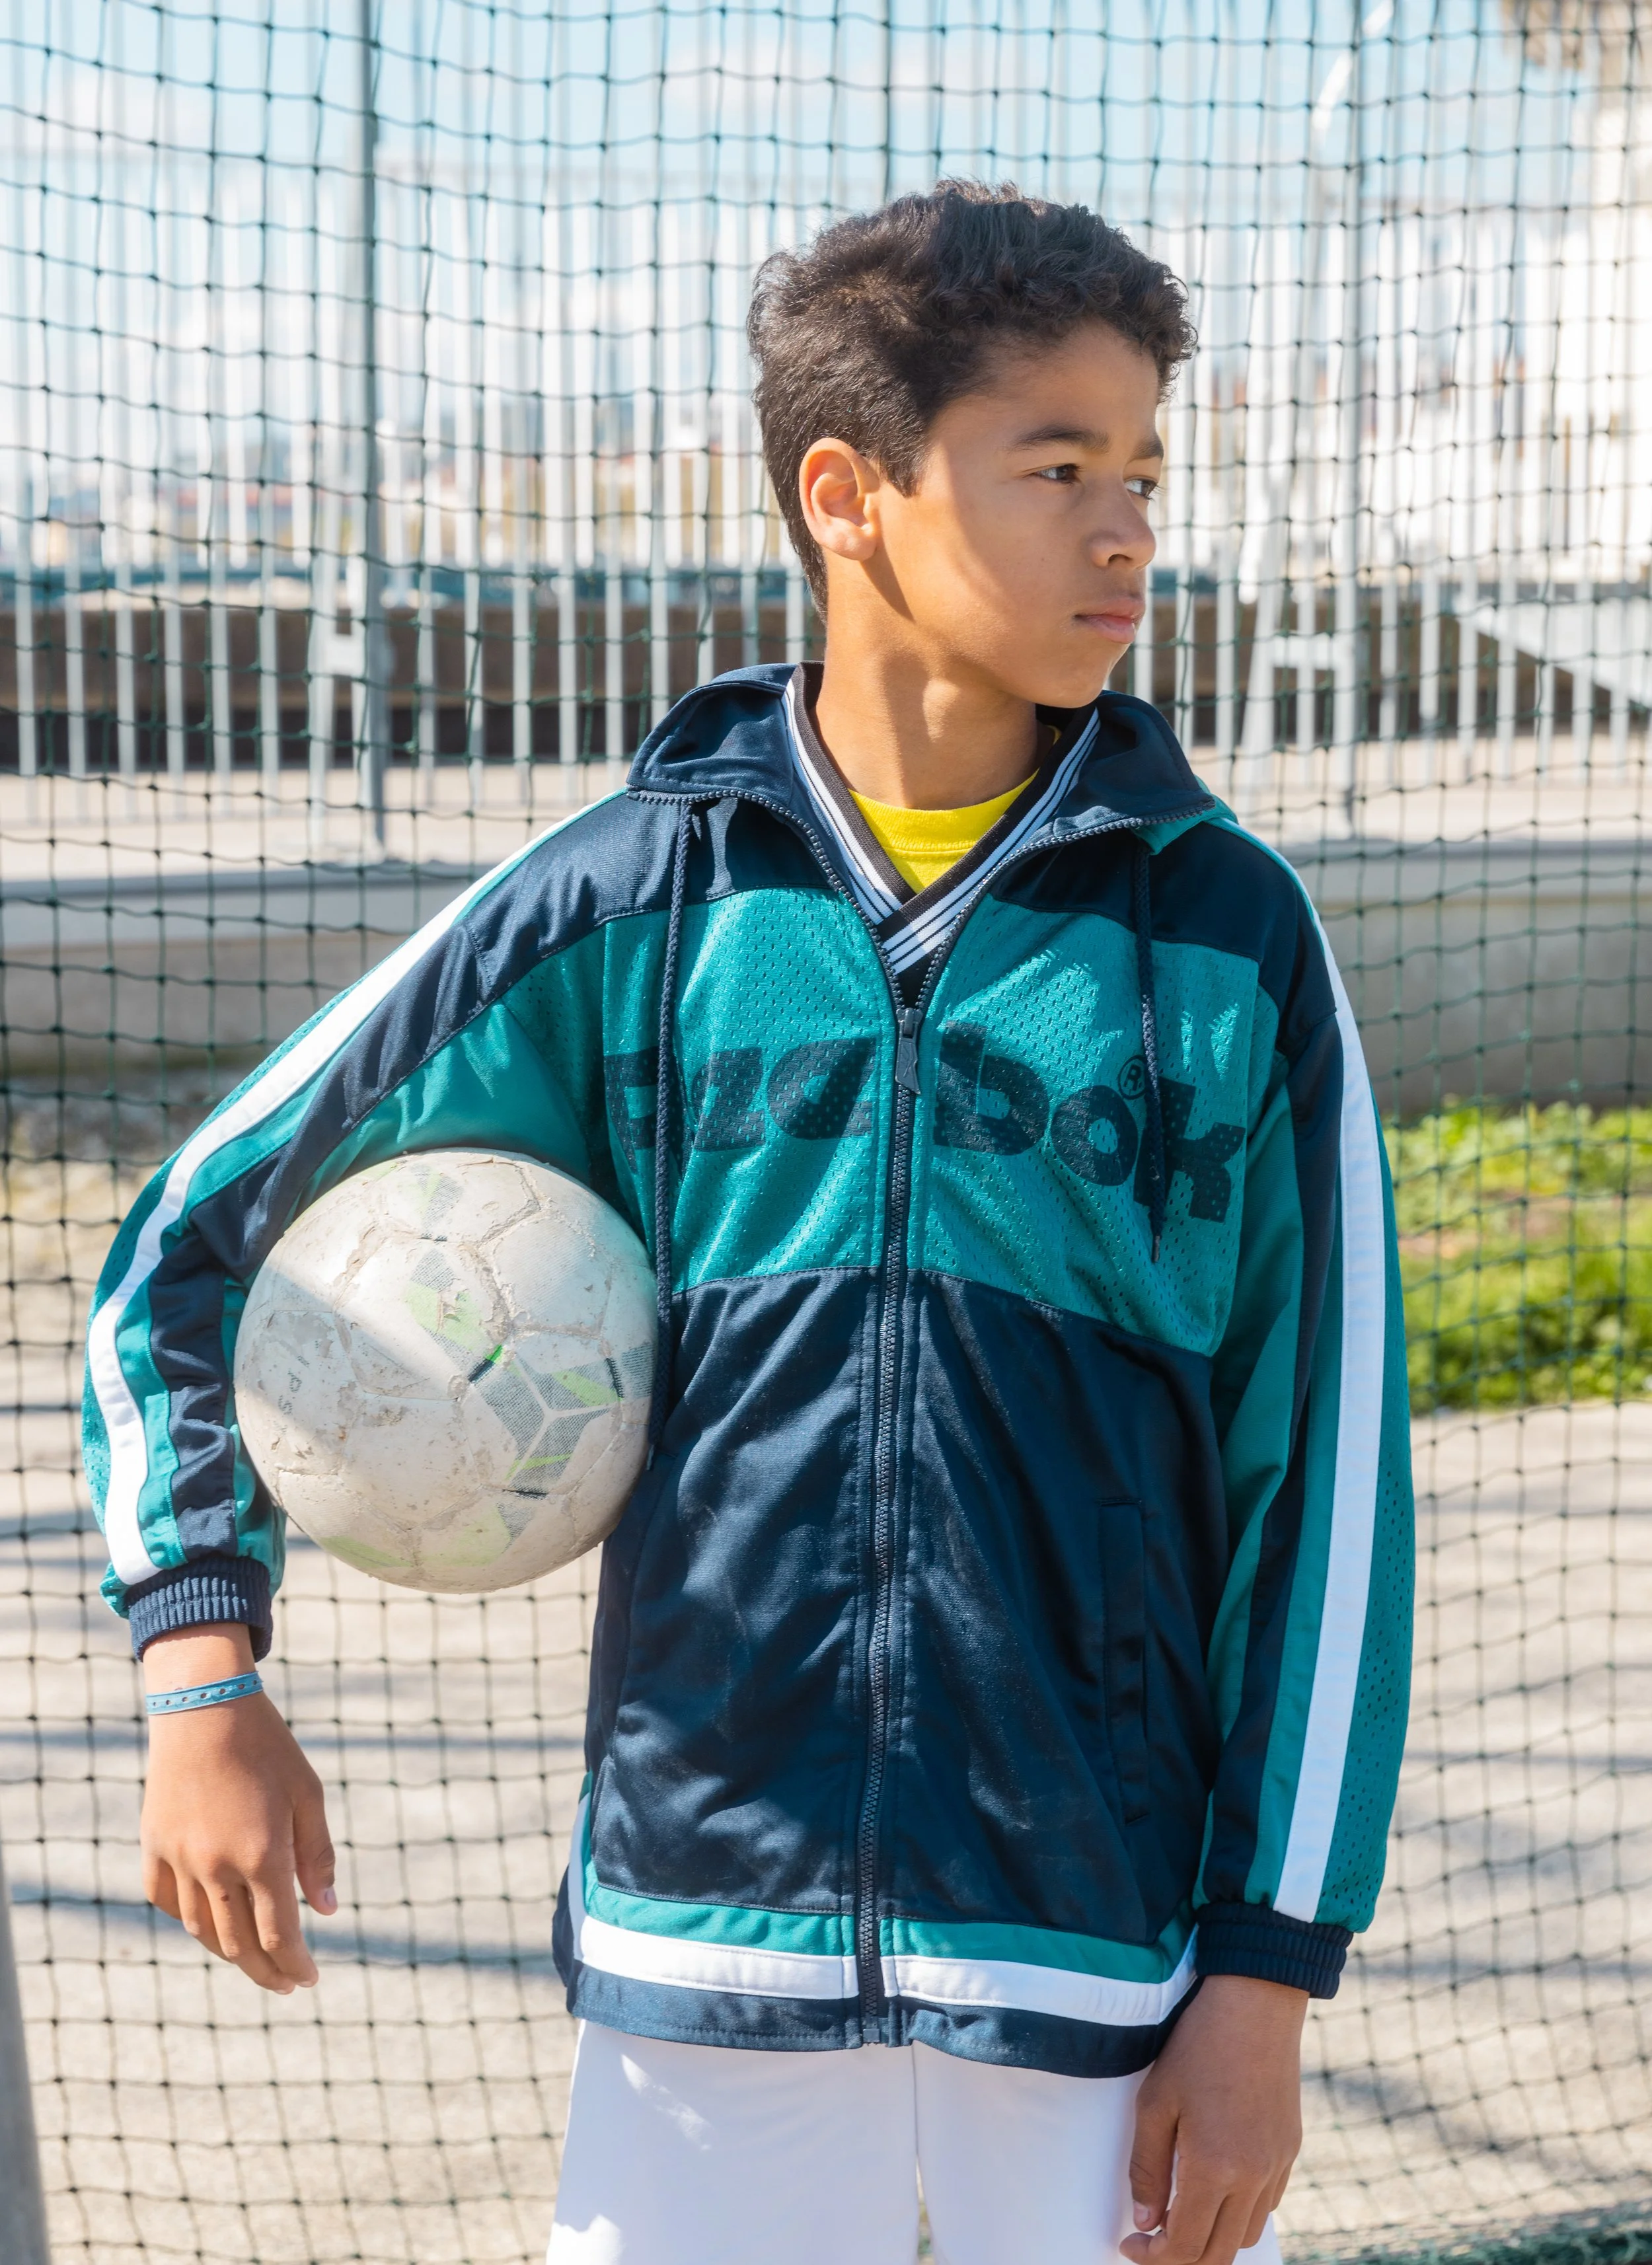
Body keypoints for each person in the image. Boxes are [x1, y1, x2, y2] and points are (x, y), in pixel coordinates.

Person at [86, 182, 1413, 2265]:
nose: (1124, 527)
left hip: (1093, 1944)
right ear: (848, 492)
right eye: (1053, 466)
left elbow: (1326, 1488)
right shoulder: (628, 901)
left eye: (1143, 469)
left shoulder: (1223, 936)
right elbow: (191, 1238)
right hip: (704, 1915)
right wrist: (201, 1674)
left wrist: (1264, 1970)